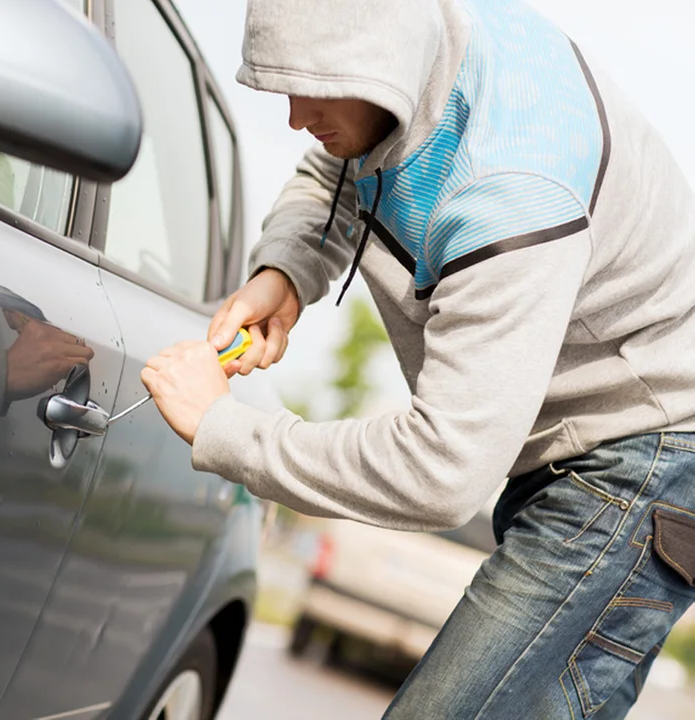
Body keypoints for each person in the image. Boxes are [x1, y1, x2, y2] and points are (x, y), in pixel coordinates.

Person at [140, 0, 695, 717]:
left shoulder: (514, 191)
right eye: (283, 87)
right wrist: (286, 270)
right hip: (582, 449)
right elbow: (335, 167)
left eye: (312, 87)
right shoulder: (418, 62)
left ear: (383, 63)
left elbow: (442, 468)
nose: (294, 115)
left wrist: (225, 429)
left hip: (640, 456)